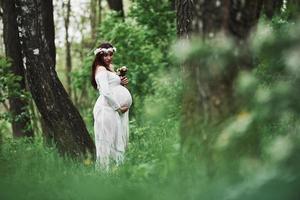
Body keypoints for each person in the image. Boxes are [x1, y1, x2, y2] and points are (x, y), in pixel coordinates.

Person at [91, 42, 132, 170]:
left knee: (116, 140)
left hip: (111, 110)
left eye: (110, 54)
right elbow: (105, 92)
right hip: (106, 109)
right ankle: (105, 176)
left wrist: (122, 83)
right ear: (99, 56)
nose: (108, 58)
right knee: (107, 142)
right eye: (105, 55)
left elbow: (113, 87)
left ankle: (117, 173)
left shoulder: (109, 68)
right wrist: (118, 108)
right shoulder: (101, 69)